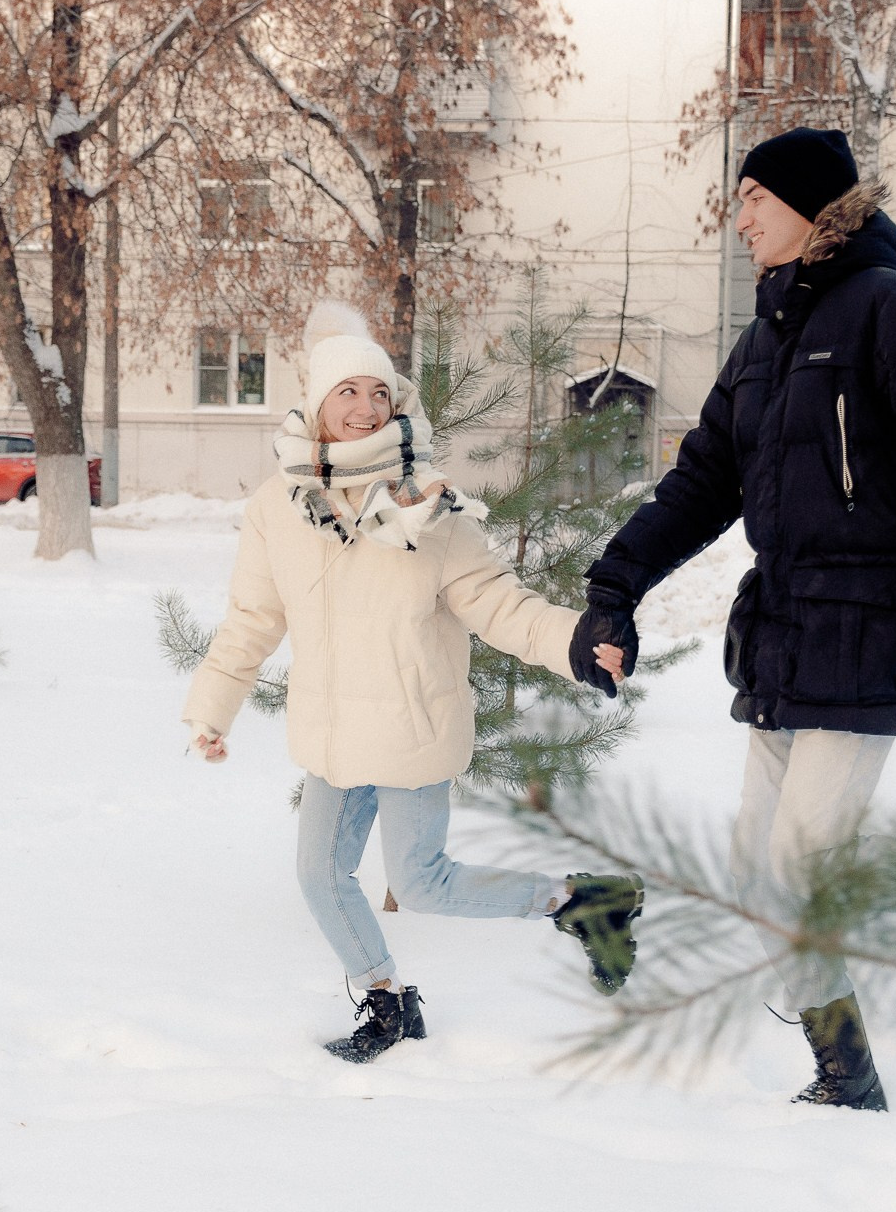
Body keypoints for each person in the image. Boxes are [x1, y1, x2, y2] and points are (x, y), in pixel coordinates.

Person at [572, 128, 896, 1111]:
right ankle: (844, 1061)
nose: (735, 218)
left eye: (750, 198)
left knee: (795, 872)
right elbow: (699, 484)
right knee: (756, 877)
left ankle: (849, 1076)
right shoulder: (765, 339)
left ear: (810, 206)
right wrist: (614, 585)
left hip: (872, 642)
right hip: (784, 643)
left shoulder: (893, 314)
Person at [183, 300, 644, 1064]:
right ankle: (387, 1002)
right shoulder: (277, 506)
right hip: (332, 735)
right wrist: (212, 709)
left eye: (378, 393)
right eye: (347, 393)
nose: (365, 408)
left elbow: (496, 601)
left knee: (422, 882)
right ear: (317, 405)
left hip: (409, 727)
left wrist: (574, 639)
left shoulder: (427, 504)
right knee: (320, 874)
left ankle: (581, 901)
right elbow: (251, 619)